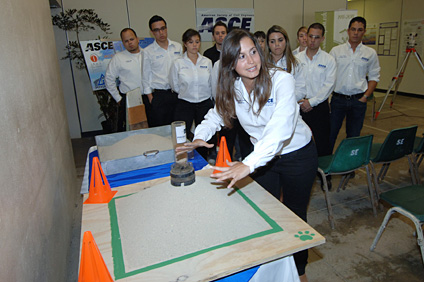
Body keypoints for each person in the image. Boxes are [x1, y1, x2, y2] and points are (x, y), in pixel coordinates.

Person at [177, 29, 318, 281]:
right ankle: (269, 265)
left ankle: (299, 271)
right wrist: (201, 134)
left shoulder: (281, 80)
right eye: (241, 56)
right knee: (264, 212)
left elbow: (280, 130)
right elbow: (217, 114)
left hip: (297, 155)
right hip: (264, 160)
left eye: (253, 52)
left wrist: (247, 163)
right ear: (230, 63)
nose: (251, 61)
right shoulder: (233, 86)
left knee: (295, 214)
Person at [329, 16, 380, 152]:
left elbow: (374, 76)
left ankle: (349, 169)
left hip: (358, 101)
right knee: (330, 133)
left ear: (364, 32)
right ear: (348, 31)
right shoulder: (336, 51)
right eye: (353, 29)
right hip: (338, 100)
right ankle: (325, 169)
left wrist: (365, 97)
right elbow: (328, 76)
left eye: (359, 30)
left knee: (353, 136)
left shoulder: (370, 53)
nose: (356, 33)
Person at [169, 29, 213, 158]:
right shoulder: (178, 63)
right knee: (181, 135)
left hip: (204, 103)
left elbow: (211, 83)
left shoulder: (207, 62)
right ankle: (182, 160)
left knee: (204, 134)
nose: (194, 45)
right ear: (185, 44)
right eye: (191, 42)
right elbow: (174, 85)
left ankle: (203, 159)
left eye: (197, 42)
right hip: (185, 103)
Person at [296, 23, 336, 157]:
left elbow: (328, 85)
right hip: (299, 105)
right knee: (299, 142)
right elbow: (291, 81)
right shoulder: (296, 58)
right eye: (310, 36)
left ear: (323, 39)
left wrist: (311, 102)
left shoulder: (329, 60)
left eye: (317, 37)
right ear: (306, 37)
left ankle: (325, 175)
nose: (313, 40)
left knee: (323, 141)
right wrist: (300, 101)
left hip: (319, 106)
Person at [142, 15, 182, 127]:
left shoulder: (178, 47)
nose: (161, 32)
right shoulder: (148, 51)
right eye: (157, 30)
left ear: (167, 28)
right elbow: (145, 76)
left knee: (179, 128)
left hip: (177, 94)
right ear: (152, 32)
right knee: (161, 130)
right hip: (159, 95)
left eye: (163, 28)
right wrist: (151, 98)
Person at [105, 28, 143, 132]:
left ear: (137, 39)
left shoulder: (147, 54)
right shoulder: (118, 58)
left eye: (132, 39)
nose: (130, 43)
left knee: (152, 128)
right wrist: (118, 98)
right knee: (134, 131)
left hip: (148, 98)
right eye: (126, 41)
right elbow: (109, 79)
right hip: (130, 100)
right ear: (123, 43)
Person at [266, 25, 307, 102]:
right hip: (267, 108)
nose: (277, 44)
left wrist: (285, 100)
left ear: (286, 41)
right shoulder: (261, 64)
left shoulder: (295, 63)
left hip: (288, 106)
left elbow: (301, 90)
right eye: (272, 41)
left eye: (280, 40)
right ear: (268, 44)